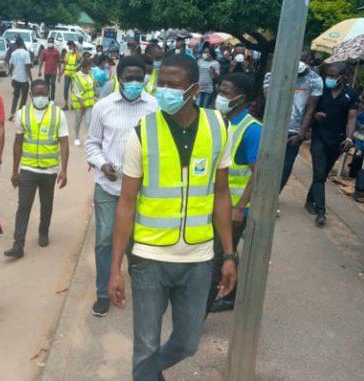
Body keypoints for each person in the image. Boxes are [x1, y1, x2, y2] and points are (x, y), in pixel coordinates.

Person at [108, 54, 237, 381]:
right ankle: (147, 374)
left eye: (173, 84)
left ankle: (147, 373)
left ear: (193, 89)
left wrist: (230, 254)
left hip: (198, 258)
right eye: (160, 82)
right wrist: (115, 269)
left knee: (188, 342)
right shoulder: (143, 132)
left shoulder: (218, 127)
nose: (164, 89)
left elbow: (222, 194)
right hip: (150, 258)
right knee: (146, 345)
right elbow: (126, 202)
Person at [85, 56, 157, 317]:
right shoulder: (103, 107)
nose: (135, 82)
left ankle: (137, 287)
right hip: (109, 187)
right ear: (119, 78)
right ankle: (103, 293)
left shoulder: (155, 107)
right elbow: (92, 143)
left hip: (141, 189)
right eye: (130, 78)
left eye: (140, 77)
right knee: (105, 241)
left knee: (137, 242)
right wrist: (103, 165)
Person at [206, 73, 262, 314]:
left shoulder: (252, 130)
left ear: (241, 98)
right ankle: (232, 295)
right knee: (223, 252)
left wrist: (240, 207)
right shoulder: (216, 121)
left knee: (215, 259)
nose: (220, 97)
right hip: (213, 202)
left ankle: (199, 314)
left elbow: (258, 173)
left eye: (226, 93)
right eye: (219, 91)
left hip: (234, 208)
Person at [4, 80, 69, 259]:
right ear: (31, 95)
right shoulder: (22, 114)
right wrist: (14, 171)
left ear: (49, 93)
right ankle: (18, 245)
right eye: (38, 93)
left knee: (46, 204)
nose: (41, 97)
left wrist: (64, 170)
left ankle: (43, 231)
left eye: (44, 93)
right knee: (23, 206)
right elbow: (17, 143)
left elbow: (64, 142)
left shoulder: (58, 114)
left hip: (49, 170)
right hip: (28, 168)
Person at [306, 62, 358, 226]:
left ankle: (309, 200)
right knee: (320, 174)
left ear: (344, 77)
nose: (330, 78)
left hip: (337, 140)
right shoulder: (321, 90)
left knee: (322, 173)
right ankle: (321, 211)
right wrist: (315, 115)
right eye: (328, 75)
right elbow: (310, 108)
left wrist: (349, 138)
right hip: (319, 136)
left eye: (334, 76)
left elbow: (352, 118)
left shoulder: (351, 94)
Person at [264, 55, 323, 194]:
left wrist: (301, 134)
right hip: (273, 128)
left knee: (286, 166)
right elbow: (269, 100)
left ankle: (274, 196)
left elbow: (310, 109)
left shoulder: (315, 80)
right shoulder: (272, 75)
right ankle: (262, 193)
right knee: (267, 162)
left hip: (295, 132)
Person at [71, 58, 96, 146]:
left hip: (89, 103)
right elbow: (76, 92)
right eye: (89, 67)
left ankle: (89, 140)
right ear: (84, 67)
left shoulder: (90, 75)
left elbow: (93, 87)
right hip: (79, 104)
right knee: (78, 120)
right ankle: (76, 137)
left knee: (89, 122)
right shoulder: (76, 76)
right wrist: (82, 104)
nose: (90, 69)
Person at [8, 37, 32, 121]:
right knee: (24, 97)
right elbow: (27, 67)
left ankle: (12, 113)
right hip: (23, 79)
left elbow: (11, 66)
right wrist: (31, 79)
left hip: (15, 78)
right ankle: (20, 114)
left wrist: (11, 75)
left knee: (15, 96)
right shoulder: (26, 54)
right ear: (22, 43)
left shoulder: (13, 53)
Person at [60, 41, 80, 110]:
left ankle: (73, 104)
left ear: (74, 47)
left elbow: (81, 64)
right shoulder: (67, 55)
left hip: (75, 75)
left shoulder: (78, 55)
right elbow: (64, 65)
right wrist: (60, 75)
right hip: (67, 74)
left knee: (73, 90)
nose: (70, 48)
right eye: (69, 47)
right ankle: (66, 105)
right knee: (65, 89)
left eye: (71, 47)